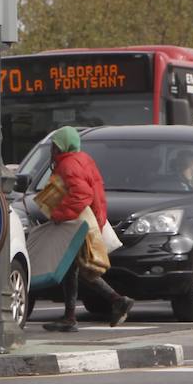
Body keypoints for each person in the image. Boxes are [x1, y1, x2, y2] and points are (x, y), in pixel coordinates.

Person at [42, 126, 135, 332]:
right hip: (90, 220)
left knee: (82, 269)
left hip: (80, 224)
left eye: (54, 145)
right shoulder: (82, 159)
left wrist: (59, 214)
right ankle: (70, 316)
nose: (52, 150)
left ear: (61, 146)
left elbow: (81, 195)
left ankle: (117, 300)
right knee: (72, 269)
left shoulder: (68, 164)